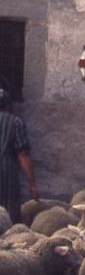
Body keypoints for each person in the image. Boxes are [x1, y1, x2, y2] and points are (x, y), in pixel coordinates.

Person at [0, 88, 39, 222]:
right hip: (6, 171)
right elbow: (23, 154)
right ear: (8, 104)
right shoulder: (15, 122)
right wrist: (32, 184)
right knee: (8, 210)